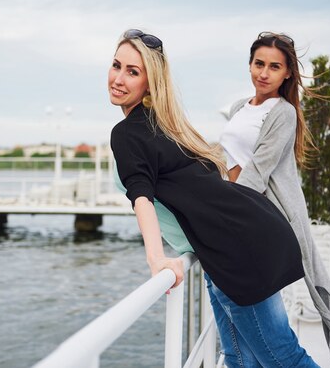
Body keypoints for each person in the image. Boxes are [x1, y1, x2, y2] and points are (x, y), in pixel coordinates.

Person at [109, 29, 319, 367]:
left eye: (133, 71)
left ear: (150, 82)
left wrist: (156, 260)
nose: (118, 78)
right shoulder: (165, 126)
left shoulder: (130, 133)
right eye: (116, 65)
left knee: (284, 358)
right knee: (237, 357)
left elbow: (142, 198)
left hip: (237, 249)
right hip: (231, 244)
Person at [219, 31, 330, 367]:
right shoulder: (237, 108)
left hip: (263, 217)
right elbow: (229, 160)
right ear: (249, 64)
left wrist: (223, 218)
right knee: (241, 341)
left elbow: (258, 169)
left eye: (274, 67)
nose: (264, 72)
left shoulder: (283, 113)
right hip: (241, 214)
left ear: (287, 73)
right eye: (259, 63)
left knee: (274, 344)